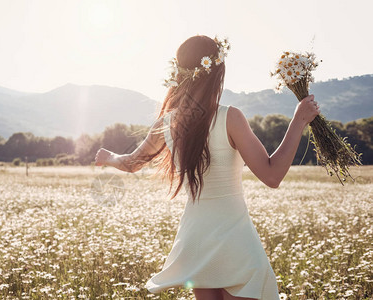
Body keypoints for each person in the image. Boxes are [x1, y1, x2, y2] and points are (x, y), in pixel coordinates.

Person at [94, 35, 319, 300]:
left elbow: (131, 163)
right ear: (216, 74)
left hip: (196, 241)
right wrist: (298, 121)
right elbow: (271, 175)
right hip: (235, 240)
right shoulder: (229, 117)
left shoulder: (167, 123)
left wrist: (109, 157)